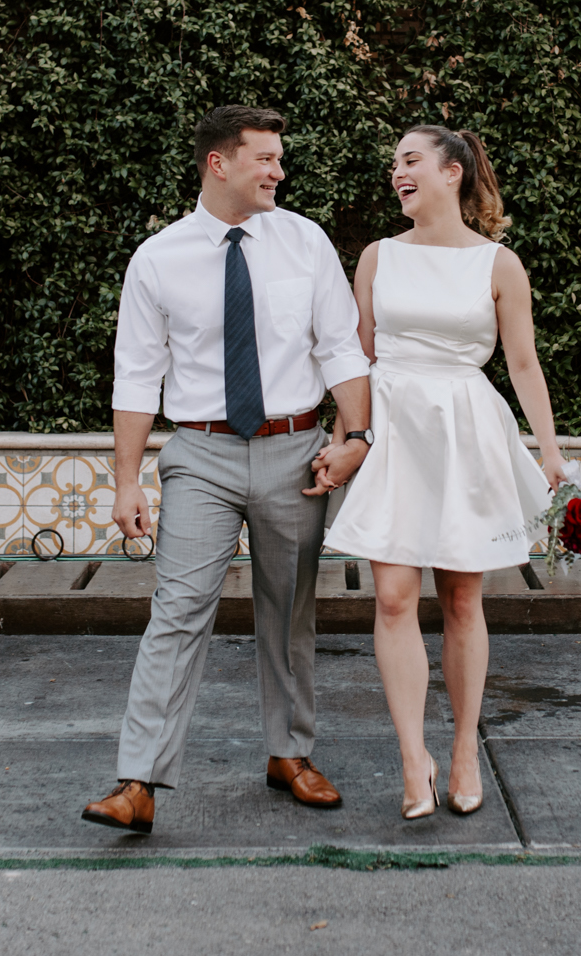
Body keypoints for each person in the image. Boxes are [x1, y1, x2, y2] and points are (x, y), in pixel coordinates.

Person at [81, 106, 375, 836]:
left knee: (289, 611)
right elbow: (135, 376)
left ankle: (290, 753)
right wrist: (126, 480)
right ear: (220, 163)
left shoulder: (305, 242)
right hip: (201, 454)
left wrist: (357, 435)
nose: (279, 170)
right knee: (178, 607)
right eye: (265, 158)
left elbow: (341, 348)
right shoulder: (158, 257)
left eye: (279, 158)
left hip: (294, 448)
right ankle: (138, 780)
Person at [319, 125, 567, 819]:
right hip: (394, 427)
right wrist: (346, 440)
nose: (396, 171)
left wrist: (549, 452)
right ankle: (411, 757)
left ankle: (462, 749)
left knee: (462, 599)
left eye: (410, 160)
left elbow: (522, 362)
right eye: (394, 163)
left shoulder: (499, 264)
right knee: (393, 597)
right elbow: (356, 359)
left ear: (451, 171)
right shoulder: (376, 257)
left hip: (465, 431)